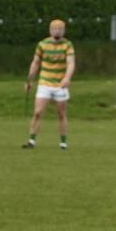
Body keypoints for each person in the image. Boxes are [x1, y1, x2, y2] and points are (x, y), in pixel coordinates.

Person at [22, 20, 75, 150]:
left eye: (60, 29)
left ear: (64, 30)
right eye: (55, 29)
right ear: (50, 30)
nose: (57, 31)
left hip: (60, 85)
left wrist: (67, 78)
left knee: (61, 114)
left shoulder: (67, 45)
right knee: (38, 112)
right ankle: (31, 141)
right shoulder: (42, 44)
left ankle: (63, 143)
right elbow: (35, 63)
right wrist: (30, 80)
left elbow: (71, 63)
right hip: (44, 83)